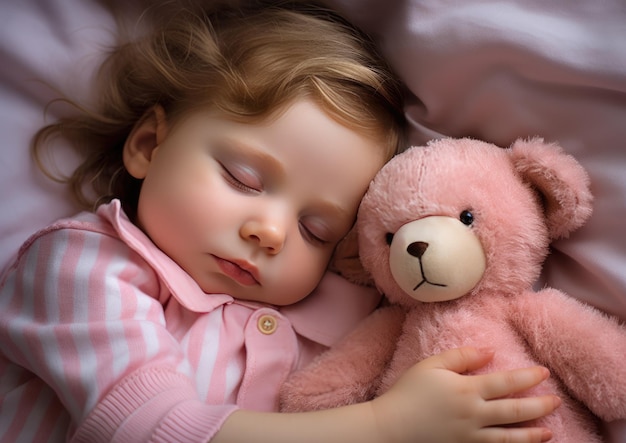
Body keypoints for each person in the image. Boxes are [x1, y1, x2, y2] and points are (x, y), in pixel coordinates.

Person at [0, 2, 560, 442]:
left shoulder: (339, 322)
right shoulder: (84, 266)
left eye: (316, 230)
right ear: (149, 144)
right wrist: (386, 427)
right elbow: (145, 427)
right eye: (243, 178)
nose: (269, 232)